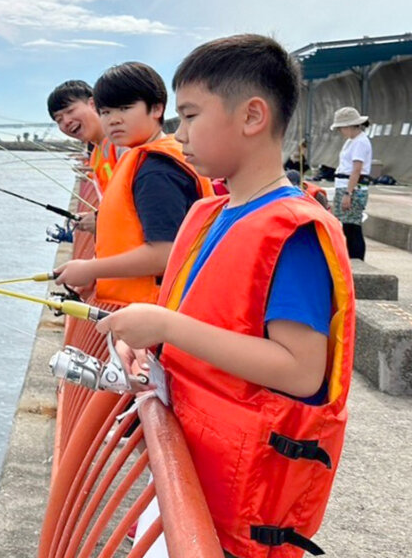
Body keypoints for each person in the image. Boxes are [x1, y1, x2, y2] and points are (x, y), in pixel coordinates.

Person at [97, 34, 355, 558]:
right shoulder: (208, 214)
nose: (178, 132)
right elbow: (198, 319)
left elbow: (301, 370)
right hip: (188, 463)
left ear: (252, 116)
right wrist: (149, 345)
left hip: (236, 504)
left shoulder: (293, 233)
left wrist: (167, 328)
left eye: (190, 115)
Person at [54, 62, 213, 306]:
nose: (114, 120)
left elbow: (164, 253)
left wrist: (91, 269)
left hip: (162, 311)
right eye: (106, 112)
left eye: (125, 108)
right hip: (158, 309)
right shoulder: (150, 159)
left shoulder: (156, 171)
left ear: (157, 109)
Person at [47, 80, 120, 232]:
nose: (66, 121)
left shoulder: (123, 144)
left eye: (70, 111)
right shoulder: (97, 154)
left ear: (93, 104)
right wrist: (96, 217)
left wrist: (102, 221)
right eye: (59, 119)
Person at [330, 107, 372, 260]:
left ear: (349, 126)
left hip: (352, 188)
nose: (340, 131)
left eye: (341, 128)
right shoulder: (352, 141)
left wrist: (349, 193)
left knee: (353, 227)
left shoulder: (360, 142)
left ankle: (357, 260)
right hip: (345, 185)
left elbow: (357, 169)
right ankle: (351, 259)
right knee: (347, 227)